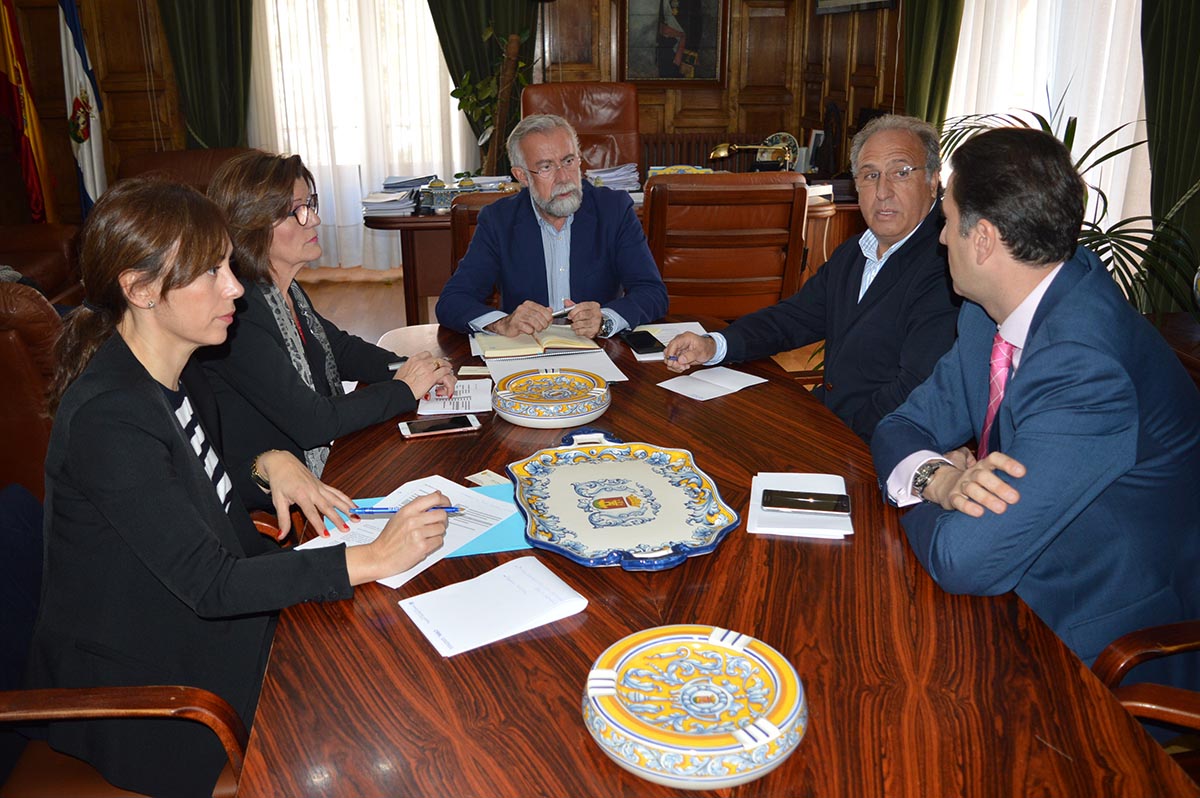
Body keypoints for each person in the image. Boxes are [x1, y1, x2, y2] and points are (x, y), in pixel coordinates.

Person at [27, 178, 450, 798]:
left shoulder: (177, 369)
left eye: (228, 264)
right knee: (379, 724)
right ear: (140, 289)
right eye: (209, 273)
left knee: (392, 661)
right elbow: (211, 583)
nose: (233, 288)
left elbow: (198, 477)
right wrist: (374, 556)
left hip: (201, 632)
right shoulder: (108, 417)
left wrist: (267, 462)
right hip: (151, 690)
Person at [871, 128, 1200, 684]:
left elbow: (963, 559)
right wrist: (938, 479)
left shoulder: (1085, 366)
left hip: (1097, 645)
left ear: (984, 241)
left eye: (947, 221)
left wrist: (916, 492)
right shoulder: (991, 313)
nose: (941, 239)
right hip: (1013, 583)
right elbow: (899, 427)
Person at [664, 115, 961, 442]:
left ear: (933, 180)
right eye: (870, 175)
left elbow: (914, 389)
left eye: (900, 173)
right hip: (830, 422)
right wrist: (714, 345)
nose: (882, 191)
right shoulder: (855, 252)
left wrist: (834, 440)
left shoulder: (946, 265)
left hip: (880, 446)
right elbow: (794, 318)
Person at [201, 151, 455, 516]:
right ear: (252, 225)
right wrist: (403, 388)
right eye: (298, 210)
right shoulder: (238, 314)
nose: (315, 219)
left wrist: (416, 366)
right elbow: (313, 422)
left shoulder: (281, 290)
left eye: (311, 204)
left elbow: (339, 348)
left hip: (322, 458)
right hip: (278, 492)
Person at [435, 114, 668, 339]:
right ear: (522, 176)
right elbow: (453, 300)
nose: (564, 177)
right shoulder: (499, 220)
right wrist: (502, 323)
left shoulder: (613, 211)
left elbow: (652, 293)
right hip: (526, 355)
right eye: (546, 167)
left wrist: (605, 320)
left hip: (598, 352)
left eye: (568, 161)